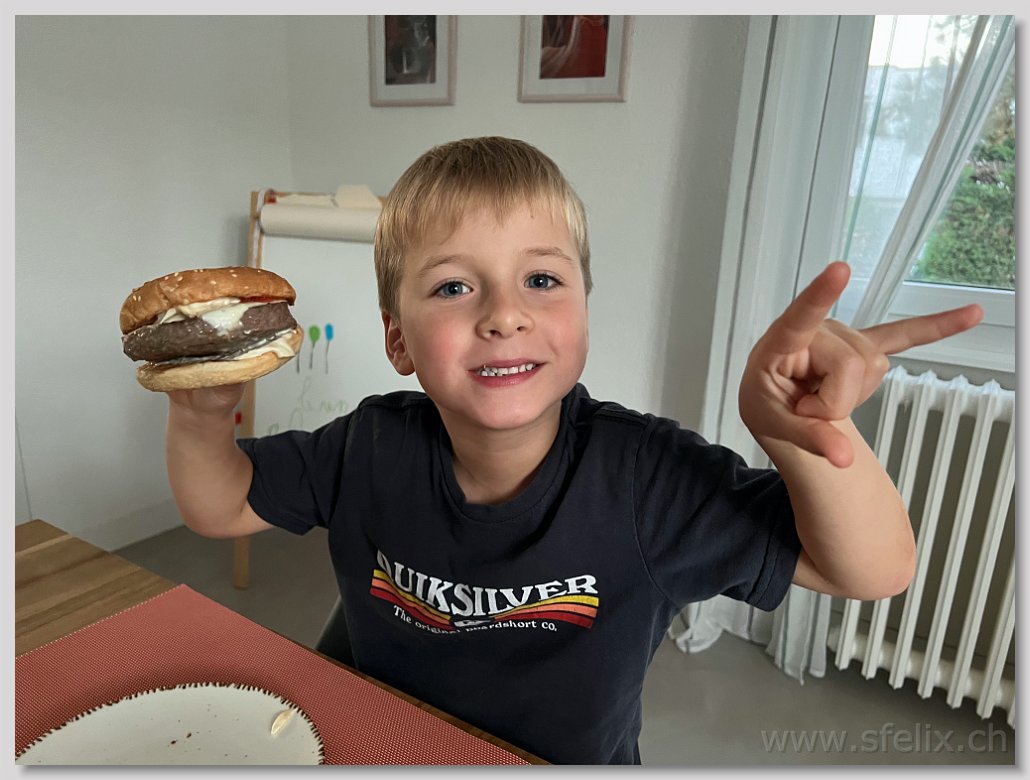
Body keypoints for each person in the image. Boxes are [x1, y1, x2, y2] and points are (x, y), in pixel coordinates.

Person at [164, 137, 983, 765]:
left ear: (585, 308)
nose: (504, 314)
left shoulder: (646, 479)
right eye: (453, 286)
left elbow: (873, 571)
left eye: (542, 280)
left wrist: (802, 436)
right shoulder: (368, 444)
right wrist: (202, 417)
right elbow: (220, 504)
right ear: (397, 338)